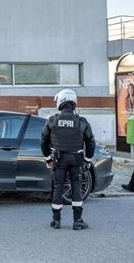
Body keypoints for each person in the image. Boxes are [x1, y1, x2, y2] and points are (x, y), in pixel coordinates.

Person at [40, 89, 96, 230]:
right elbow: (91, 142)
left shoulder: (52, 120)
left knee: (58, 187)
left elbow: (43, 141)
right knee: (76, 187)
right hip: (76, 160)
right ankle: (77, 221)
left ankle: (56, 221)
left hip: (59, 160)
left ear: (60, 101)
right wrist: (88, 159)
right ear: (73, 102)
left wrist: (48, 159)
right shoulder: (81, 121)